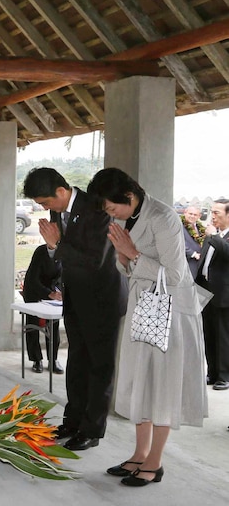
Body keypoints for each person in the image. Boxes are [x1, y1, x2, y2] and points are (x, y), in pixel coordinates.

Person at [87, 168, 207, 487]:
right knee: (141, 379)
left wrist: (133, 254)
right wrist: (125, 258)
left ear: (128, 197)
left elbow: (178, 275)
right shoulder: (132, 216)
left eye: (113, 209)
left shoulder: (163, 216)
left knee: (162, 385)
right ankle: (139, 454)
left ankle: (155, 462)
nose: (112, 216)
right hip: (145, 308)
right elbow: (127, 266)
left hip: (171, 313)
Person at [23, 167, 126, 452]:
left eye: (45, 203)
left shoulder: (96, 207)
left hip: (102, 299)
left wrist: (57, 244)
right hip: (75, 298)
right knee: (77, 363)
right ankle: (73, 421)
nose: (45, 209)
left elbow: (94, 259)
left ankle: (92, 430)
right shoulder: (59, 212)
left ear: (60, 191)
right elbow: (64, 255)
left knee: (99, 367)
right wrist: (54, 249)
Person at [195, 198, 229, 390]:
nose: (213, 216)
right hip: (206, 291)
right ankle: (213, 372)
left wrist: (215, 236)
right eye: (212, 212)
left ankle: (224, 375)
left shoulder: (215, 235)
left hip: (224, 294)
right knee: (208, 334)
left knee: (223, 336)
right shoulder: (210, 235)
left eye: (217, 212)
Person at [22, 244, 63, 374]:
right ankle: (36, 359)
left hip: (52, 293)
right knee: (32, 324)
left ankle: (53, 360)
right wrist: (48, 293)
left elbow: (62, 276)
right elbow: (33, 279)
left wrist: (58, 292)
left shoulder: (65, 251)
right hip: (34, 291)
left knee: (54, 325)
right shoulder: (41, 252)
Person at [182, 205, 205, 279]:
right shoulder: (178, 226)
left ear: (199, 216)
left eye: (195, 215)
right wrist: (193, 254)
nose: (192, 216)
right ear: (185, 213)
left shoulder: (200, 228)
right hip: (185, 263)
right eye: (190, 214)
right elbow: (177, 243)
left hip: (198, 265)